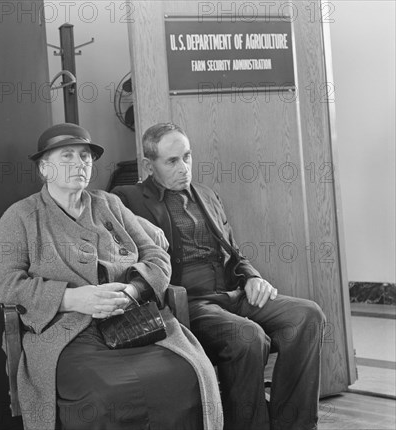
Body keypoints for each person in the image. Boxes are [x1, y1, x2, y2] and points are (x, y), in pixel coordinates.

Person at [0, 123, 223, 430]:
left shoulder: (108, 204)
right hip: (68, 333)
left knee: (188, 373)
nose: (79, 164)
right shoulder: (20, 217)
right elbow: (2, 285)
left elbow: (156, 256)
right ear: (44, 168)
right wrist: (72, 298)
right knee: (105, 394)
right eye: (67, 156)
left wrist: (133, 291)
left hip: (135, 323)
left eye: (85, 156)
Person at [112, 123, 326, 430]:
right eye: (172, 161)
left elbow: (234, 252)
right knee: (248, 336)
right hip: (188, 303)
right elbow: (122, 247)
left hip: (232, 294)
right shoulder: (128, 198)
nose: (183, 167)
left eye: (187, 157)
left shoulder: (207, 195)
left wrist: (252, 277)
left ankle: (294, 423)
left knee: (307, 315)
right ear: (149, 165)